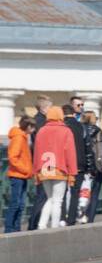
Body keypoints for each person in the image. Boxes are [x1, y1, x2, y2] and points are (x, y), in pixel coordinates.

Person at [32, 106, 77, 229]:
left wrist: (35, 171)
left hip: (44, 170)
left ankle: (42, 224)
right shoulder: (66, 131)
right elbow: (70, 153)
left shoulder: (41, 131)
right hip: (59, 169)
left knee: (50, 198)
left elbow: (36, 152)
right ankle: (55, 226)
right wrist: (72, 172)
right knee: (58, 200)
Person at [25, 95, 52, 230]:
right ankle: (34, 223)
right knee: (43, 194)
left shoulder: (38, 121)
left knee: (43, 194)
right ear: (44, 108)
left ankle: (35, 222)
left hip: (40, 161)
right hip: (44, 161)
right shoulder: (42, 122)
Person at [60, 103, 88, 225]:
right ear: (73, 113)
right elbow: (87, 146)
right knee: (75, 193)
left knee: (61, 193)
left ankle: (62, 218)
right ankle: (71, 219)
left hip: (63, 164)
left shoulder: (61, 126)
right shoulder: (81, 127)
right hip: (79, 164)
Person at [5, 115, 34, 233]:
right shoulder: (19, 138)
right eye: (33, 127)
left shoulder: (23, 137)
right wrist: (25, 169)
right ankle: (9, 229)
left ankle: (16, 229)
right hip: (18, 175)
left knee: (20, 204)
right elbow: (13, 157)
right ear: (28, 127)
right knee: (15, 204)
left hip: (21, 175)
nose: (34, 130)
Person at [79, 110, 102, 222]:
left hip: (81, 166)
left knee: (80, 192)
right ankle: (89, 218)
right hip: (95, 166)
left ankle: (80, 214)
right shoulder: (97, 131)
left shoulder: (79, 130)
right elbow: (100, 150)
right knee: (94, 193)